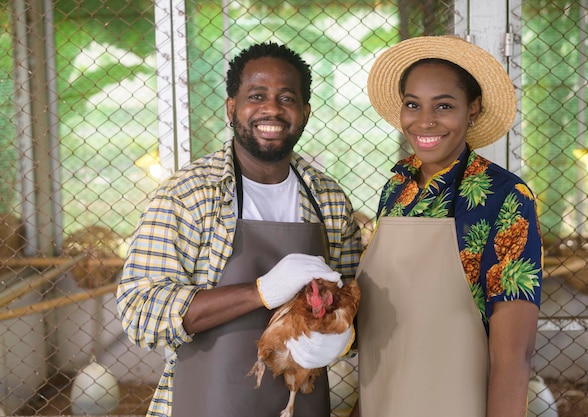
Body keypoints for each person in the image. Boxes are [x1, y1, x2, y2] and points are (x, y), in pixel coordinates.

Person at [116, 41, 362, 417]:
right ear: (232, 108)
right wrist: (259, 291)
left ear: (306, 112)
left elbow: (349, 302)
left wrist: (338, 331)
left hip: (301, 401)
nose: (272, 109)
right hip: (207, 402)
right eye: (257, 95)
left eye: (287, 98)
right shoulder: (189, 195)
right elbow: (140, 310)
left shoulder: (327, 199)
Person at [351, 36, 542, 417]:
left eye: (444, 105)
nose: (424, 121)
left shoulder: (506, 197)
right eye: (412, 105)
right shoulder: (396, 188)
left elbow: (512, 357)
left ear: (472, 110)